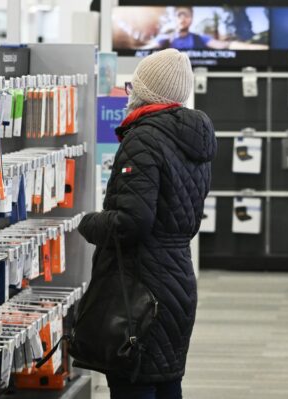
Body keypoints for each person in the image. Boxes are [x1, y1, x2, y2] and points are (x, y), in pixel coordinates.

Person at [77, 49, 216, 398]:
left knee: (133, 379)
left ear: (147, 92)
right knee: (166, 379)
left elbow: (132, 222)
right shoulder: (193, 140)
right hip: (177, 279)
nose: (129, 93)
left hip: (140, 286)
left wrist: (87, 222)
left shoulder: (144, 138)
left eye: (133, 85)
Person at [156, 6, 230, 50]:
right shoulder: (164, 39)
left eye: (186, 15)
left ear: (192, 19)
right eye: (179, 15)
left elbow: (224, 45)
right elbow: (147, 50)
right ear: (174, 18)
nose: (183, 18)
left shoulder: (201, 38)